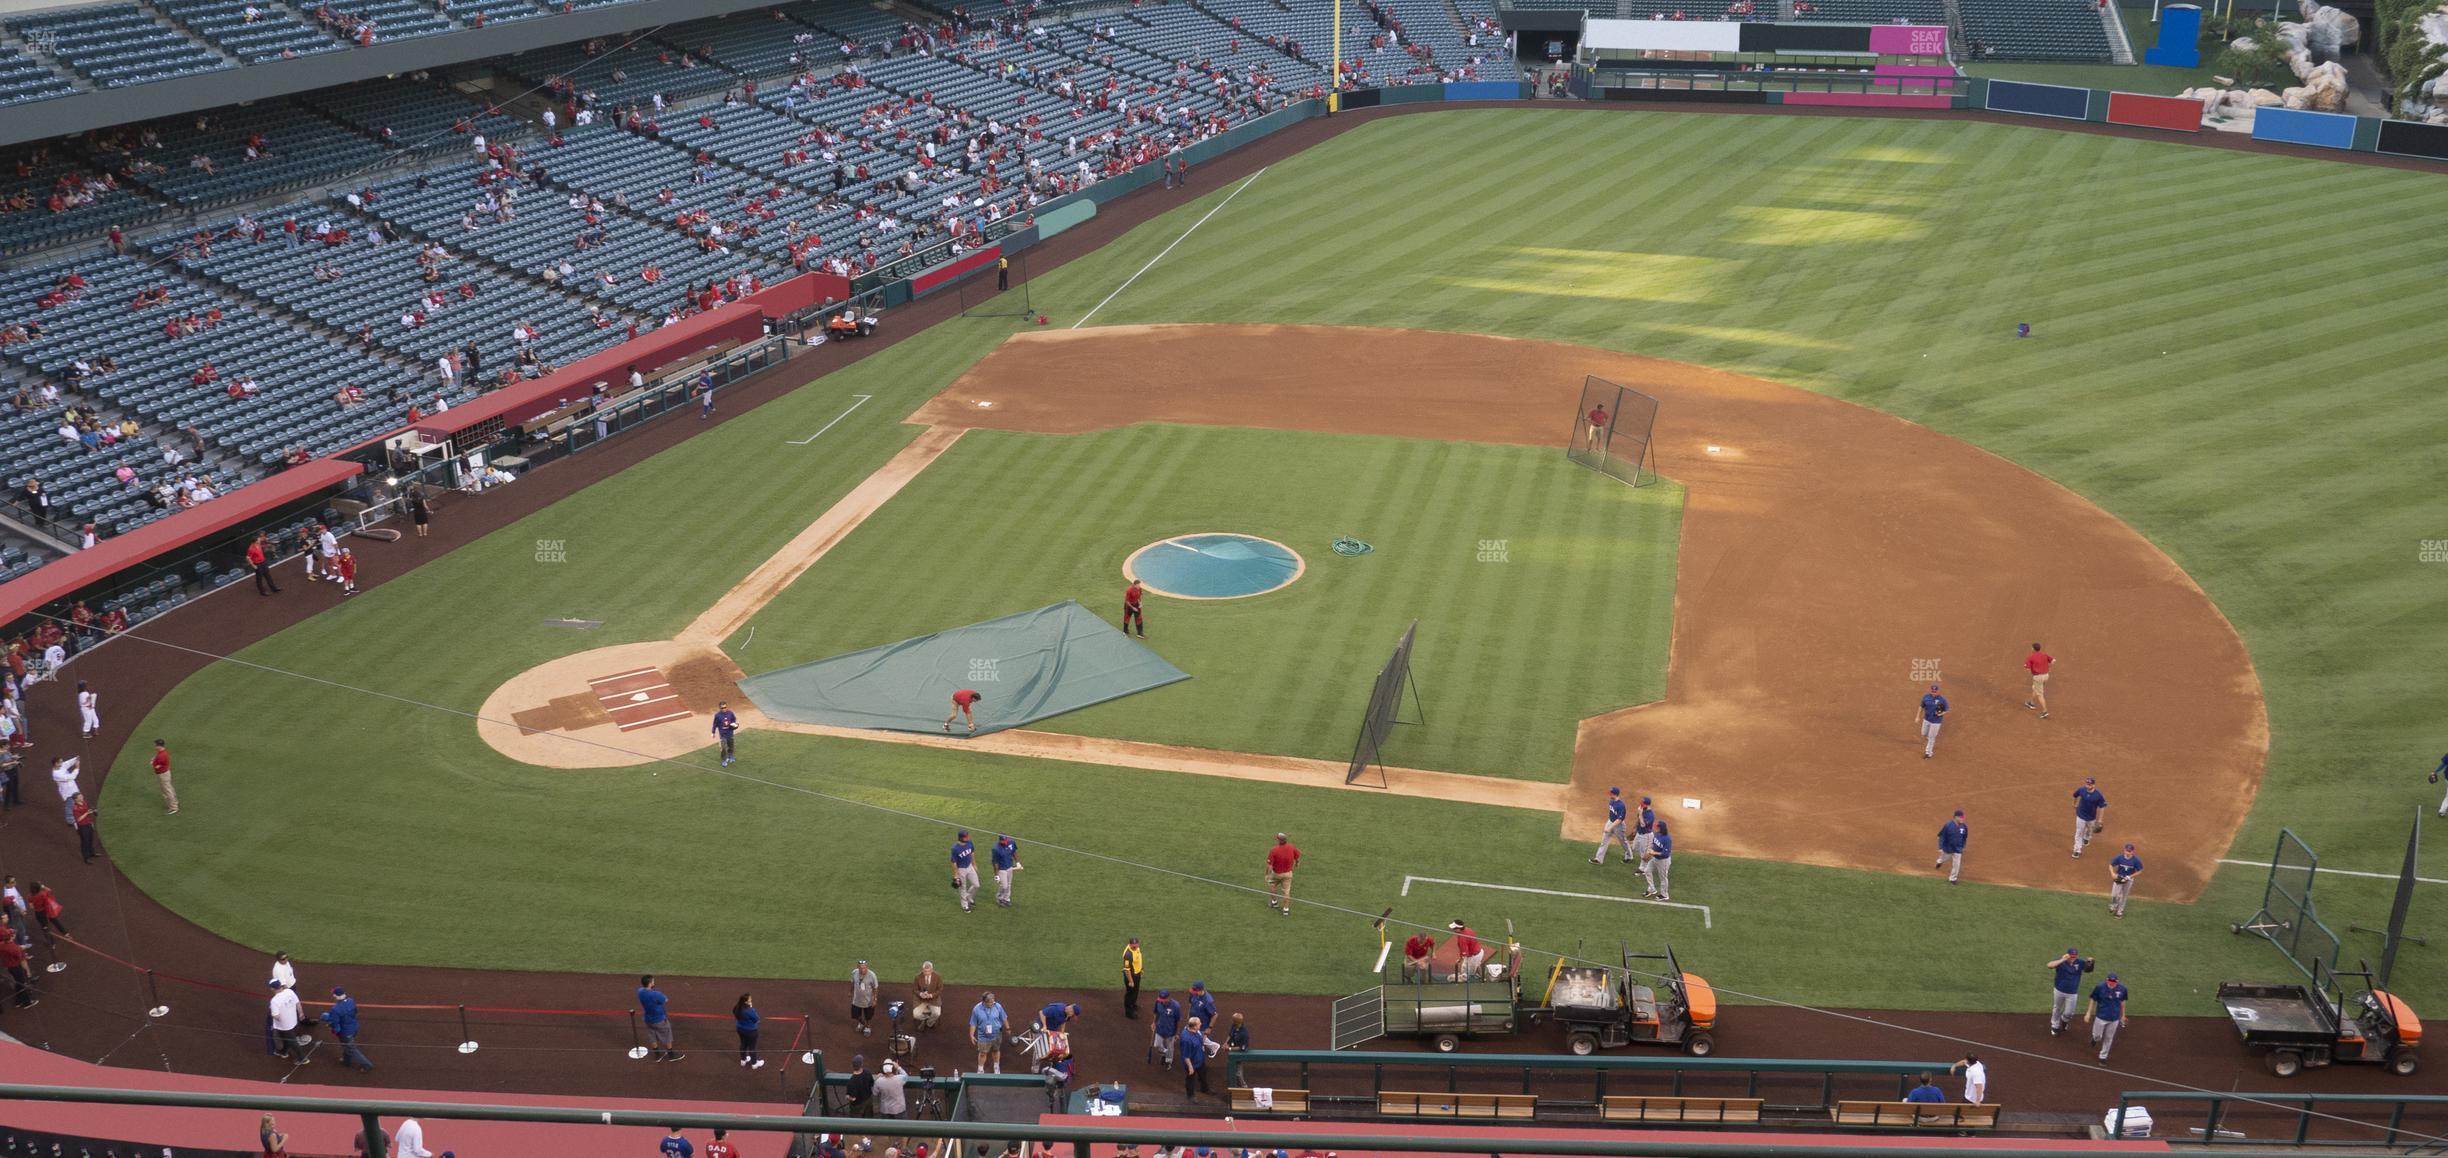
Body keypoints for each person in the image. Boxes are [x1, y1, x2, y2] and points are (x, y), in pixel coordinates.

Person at [324, 985, 375, 1071]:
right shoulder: (351, 1001)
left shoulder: (335, 1009)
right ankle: (346, 1060)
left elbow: (335, 1023)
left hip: (345, 1032)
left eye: (334, 994)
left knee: (351, 1048)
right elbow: (355, 1012)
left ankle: (367, 1065)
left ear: (336, 995)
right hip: (354, 1027)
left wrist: (330, 1024)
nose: (333, 995)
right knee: (346, 1045)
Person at [2045, 947, 2092, 1034]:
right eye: (2071, 956)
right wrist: (2063, 959)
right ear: (2067, 955)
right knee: (2057, 1008)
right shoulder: (2061, 961)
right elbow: (2049, 965)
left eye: (2075, 956)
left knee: (2069, 1013)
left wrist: (2090, 963)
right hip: (2059, 990)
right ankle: (2054, 1025)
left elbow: (2088, 970)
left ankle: (2064, 1020)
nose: (2073, 957)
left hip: (2072, 992)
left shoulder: (2080, 962)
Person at [2087, 971, 2130, 1062]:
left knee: (2109, 1038)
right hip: (2100, 1017)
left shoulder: (2123, 989)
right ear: (2107, 980)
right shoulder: (2100, 987)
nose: (2111, 983)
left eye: (2113, 981)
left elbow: (2123, 1002)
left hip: (2114, 1018)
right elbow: (2092, 999)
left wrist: (2123, 1015)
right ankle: (2095, 1039)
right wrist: (2088, 1013)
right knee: (2097, 1036)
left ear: (2117, 982)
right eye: (2110, 981)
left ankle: (2103, 1056)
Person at [639, 974, 682, 1061]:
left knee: (652, 1035)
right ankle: (671, 1055)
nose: (654, 982)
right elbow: (665, 999)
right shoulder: (656, 994)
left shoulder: (640, 991)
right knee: (667, 1035)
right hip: (659, 1019)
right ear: (650, 983)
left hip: (648, 1019)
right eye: (653, 981)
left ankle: (657, 1055)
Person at [1589, 786, 1635, 865]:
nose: (1609, 795)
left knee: (1623, 842)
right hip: (1610, 821)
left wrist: (1610, 827)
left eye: (1610, 793)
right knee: (1604, 840)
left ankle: (1629, 856)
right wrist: (1609, 824)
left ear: (1615, 794)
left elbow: (1619, 819)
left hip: (1619, 826)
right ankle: (1599, 859)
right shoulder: (1611, 801)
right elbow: (1612, 814)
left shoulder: (1621, 805)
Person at [269, 979, 309, 1062]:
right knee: (287, 1039)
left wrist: (274, 1015)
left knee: (292, 1042)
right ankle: (283, 1052)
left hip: (284, 1026)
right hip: (293, 1021)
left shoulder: (274, 1001)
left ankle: (302, 1059)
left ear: (272, 988)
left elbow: (276, 1016)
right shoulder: (289, 991)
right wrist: (301, 1013)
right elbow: (297, 1003)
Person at [971, 991, 1008, 1073]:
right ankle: (980, 1069)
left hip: (997, 1034)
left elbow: (1004, 1018)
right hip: (983, 1035)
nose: (992, 1003)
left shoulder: (997, 1006)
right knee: (982, 1053)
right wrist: (971, 1035)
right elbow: (973, 1023)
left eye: (993, 1000)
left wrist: (1008, 1028)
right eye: (990, 1002)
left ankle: (996, 1066)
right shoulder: (976, 1009)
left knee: (996, 1050)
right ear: (984, 1002)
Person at [1263, 832, 1299, 915]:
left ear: (1278, 840)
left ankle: (1274, 903)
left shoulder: (1274, 850)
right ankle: (1286, 910)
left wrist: (1266, 874)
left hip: (1276, 874)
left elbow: (1269, 865)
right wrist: (1297, 863)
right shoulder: (1292, 847)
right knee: (1286, 892)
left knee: (1272, 885)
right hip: (1288, 874)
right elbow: (1297, 857)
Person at [1178, 1015, 1213, 1099]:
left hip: (1200, 1060)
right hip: (1192, 1063)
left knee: (1203, 1076)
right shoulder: (1186, 1039)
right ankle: (1190, 1095)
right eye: (1199, 1023)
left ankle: (1205, 1089)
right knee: (1190, 1080)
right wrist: (1190, 1067)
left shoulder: (1195, 1031)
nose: (1201, 1024)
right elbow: (1186, 1056)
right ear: (1194, 1026)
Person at [2071, 776, 2107, 858]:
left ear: (2094, 785)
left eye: (2090, 784)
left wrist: (2100, 819)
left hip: (2091, 818)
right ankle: (2077, 850)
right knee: (2079, 833)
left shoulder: (2098, 795)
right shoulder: (2081, 790)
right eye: (2087, 784)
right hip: (2080, 816)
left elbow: (2102, 806)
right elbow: (2075, 795)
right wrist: (2074, 803)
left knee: (2090, 830)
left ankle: (2087, 837)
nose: (2088, 786)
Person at [2108, 843, 2144, 919]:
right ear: (2124, 850)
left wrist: (2129, 876)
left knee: (2124, 896)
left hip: (2129, 880)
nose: (2128, 852)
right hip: (2119, 877)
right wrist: (2112, 873)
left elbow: (2140, 870)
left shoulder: (2136, 860)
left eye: (2129, 851)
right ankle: (2114, 905)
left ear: (2133, 852)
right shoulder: (2119, 857)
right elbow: (2111, 865)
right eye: (2127, 850)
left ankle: (2119, 911)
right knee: (2114, 894)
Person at [1149, 987, 1182, 1067]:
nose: (1162, 1001)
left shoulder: (1176, 1006)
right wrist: (1153, 1022)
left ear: (1168, 998)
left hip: (1170, 1031)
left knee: (1170, 1047)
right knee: (1157, 1045)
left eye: (1163, 999)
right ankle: (1164, 1054)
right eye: (1161, 999)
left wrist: (1177, 1033)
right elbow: (1156, 1013)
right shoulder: (1158, 1002)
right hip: (1159, 1028)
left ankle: (1168, 1062)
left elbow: (1178, 1020)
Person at [1641, 820, 1674, 900]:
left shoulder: (1667, 839)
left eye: (1656, 827)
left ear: (1660, 828)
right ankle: (1652, 889)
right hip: (1655, 858)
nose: (1654, 827)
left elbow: (1665, 853)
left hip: (1664, 861)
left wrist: (1653, 853)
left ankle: (1664, 895)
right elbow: (1654, 844)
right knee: (1647, 871)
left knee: (1663, 878)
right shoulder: (1656, 834)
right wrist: (1650, 849)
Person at [1934, 809, 1968, 883]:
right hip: (1948, 848)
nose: (1962, 819)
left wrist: (1962, 846)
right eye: (1961, 817)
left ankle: (1953, 879)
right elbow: (1941, 836)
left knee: (1956, 864)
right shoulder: (1948, 825)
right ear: (1956, 817)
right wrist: (1940, 847)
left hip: (1958, 849)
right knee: (1944, 859)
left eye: (1963, 817)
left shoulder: (1964, 826)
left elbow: (1965, 837)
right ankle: (1939, 862)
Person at [951, 830, 980, 912]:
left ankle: (969, 897)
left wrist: (974, 864)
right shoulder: (955, 849)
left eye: (967, 836)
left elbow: (972, 853)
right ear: (961, 838)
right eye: (965, 836)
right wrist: (956, 875)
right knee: (963, 887)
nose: (968, 837)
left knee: (976, 885)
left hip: (970, 866)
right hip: (961, 870)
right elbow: (953, 862)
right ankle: (965, 905)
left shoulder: (969, 843)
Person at [1917, 682, 1947, 759]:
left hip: (1936, 722)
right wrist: (1917, 717)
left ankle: (1928, 753)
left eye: (1935, 692)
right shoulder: (1926, 697)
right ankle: (1930, 739)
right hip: (1926, 719)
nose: (1933, 693)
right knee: (1923, 733)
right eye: (1932, 691)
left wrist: (1941, 714)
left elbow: (1946, 709)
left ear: (1938, 691)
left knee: (1931, 737)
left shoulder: (1942, 700)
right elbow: (1921, 707)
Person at [2023, 642, 2054, 718]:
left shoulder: (2031, 657)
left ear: (2033, 649)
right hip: (2046, 676)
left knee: (2040, 694)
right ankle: (2031, 702)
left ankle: (2045, 712)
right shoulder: (2044, 655)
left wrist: (2025, 666)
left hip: (2038, 677)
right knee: (2036, 688)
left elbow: (2027, 667)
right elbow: (2053, 660)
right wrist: (2046, 667)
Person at [850, 959, 880, 1035]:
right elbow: (852, 983)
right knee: (856, 1015)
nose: (862, 970)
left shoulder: (872, 975)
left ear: (867, 967)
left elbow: (875, 988)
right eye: (860, 968)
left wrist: (875, 999)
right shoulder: (854, 972)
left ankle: (867, 1026)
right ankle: (862, 1023)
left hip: (868, 1000)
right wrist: (850, 992)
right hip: (857, 999)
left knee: (868, 1016)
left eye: (863, 968)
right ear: (858, 967)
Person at [911, 961, 943, 1029]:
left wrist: (931, 995)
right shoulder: (917, 977)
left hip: (933, 1000)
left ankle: (929, 1023)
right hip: (921, 1000)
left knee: (937, 1014)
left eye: (928, 971)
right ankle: (925, 1019)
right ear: (922, 970)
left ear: (932, 970)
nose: (926, 973)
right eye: (925, 971)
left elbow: (940, 989)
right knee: (916, 1015)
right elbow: (914, 989)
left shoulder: (937, 977)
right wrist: (920, 994)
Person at [735, 993, 764, 1067]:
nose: (751, 1000)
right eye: (750, 999)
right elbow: (757, 1020)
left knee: (743, 1044)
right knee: (752, 1047)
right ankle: (754, 1064)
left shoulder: (737, 1007)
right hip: (750, 1031)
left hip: (740, 1029)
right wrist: (751, 1008)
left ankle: (743, 1060)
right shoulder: (749, 1010)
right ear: (745, 1002)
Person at [49, 756, 80, 825]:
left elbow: (67, 763)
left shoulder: (61, 766)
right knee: (70, 805)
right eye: (60, 762)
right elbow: (71, 777)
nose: (62, 763)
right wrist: (77, 768)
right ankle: (70, 820)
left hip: (73, 788)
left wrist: (75, 759)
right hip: (67, 792)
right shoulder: (56, 774)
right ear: (56, 764)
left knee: (77, 801)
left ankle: (78, 814)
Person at [150, 738, 178, 814]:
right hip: (165, 773)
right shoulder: (162, 752)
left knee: (167, 790)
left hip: (163, 775)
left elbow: (158, 766)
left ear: (159, 746)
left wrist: (152, 763)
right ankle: (174, 803)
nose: (155, 746)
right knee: (169, 788)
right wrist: (154, 760)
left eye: (156, 745)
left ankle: (173, 807)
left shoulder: (161, 755)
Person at [991, 834, 1019, 908]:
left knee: (1009, 884)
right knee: (1004, 886)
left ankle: (1006, 899)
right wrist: (996, 875)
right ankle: (999, 897)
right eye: (1003, 841)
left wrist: (1018, 862)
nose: (1005, 842)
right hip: (1002, 869)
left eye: (1006, 840)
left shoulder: (1011, 842)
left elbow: (1014, 852)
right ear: (1000, 841)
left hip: (1009, 867)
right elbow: (995, 862)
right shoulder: (996, 849)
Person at [1121, 936, 1144, 1017]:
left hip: (1137, 974)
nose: (1135, 946)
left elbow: (1139, 959)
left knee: (1136, 991)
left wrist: (1141, 969)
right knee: (1130, 993)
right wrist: (1130, 981)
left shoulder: (1137, 948)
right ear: (1129, 944)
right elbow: (1127, 970)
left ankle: (1133, 1004)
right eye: (1133, 945)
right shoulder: (1128, 954)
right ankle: (1129, 1012)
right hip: (1131, 976)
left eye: (1136, 944)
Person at [71, 794, 97, 862]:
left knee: (90, 839)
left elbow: (88, 811)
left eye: (81, 796)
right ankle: (86, 858)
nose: (82, 797)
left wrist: (92, 812)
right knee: (85, 842)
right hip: (82, 827)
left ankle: (92, 853)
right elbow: (79, 819)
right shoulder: (75, 808)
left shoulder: (84, 802)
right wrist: (87, 813)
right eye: (80, 797)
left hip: (88, 824)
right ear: (76, 799)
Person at [711, 700, 738, 766]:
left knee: (731, 746)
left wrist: (733, 724)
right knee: (723, 748)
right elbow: (715, 724)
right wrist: (713, 732)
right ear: (720, 708)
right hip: (723, 735)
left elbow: (734, 719)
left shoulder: (730, 713)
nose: (724, 709)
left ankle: (731, 756)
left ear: (726, 706)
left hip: (730, 733)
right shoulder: (717, 715)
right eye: (722, 708)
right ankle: (723, 760)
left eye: (725, 707)